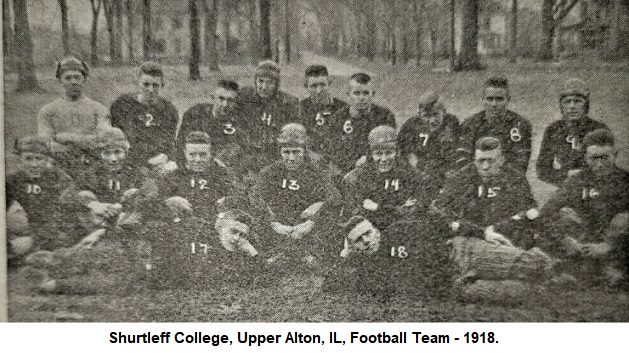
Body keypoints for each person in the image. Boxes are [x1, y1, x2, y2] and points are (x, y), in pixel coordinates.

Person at [432, 137, 553, 300]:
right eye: (481, 161)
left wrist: (499, 229)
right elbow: (439, 210)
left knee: (529, 269)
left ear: (502, 160)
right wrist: (477, 231)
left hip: (506, 239)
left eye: (491, 161)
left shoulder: (515, 178)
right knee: (536, 267)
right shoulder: (461, 177)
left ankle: (474, 285)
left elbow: (530, 212)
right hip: (473, 242)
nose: (486, 166)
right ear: (474, 160)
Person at [333, 126, 440, 297]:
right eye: (378, 154)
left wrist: (378, 207)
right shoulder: (358, 176)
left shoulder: (408, 172)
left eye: (389, 153)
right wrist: (397, 208)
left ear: (397, 151)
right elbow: (357, 213)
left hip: (400, 228)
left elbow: (419, 204)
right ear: (370, 153)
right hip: (372, 231)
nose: (383, 159)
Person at [535, 129, 629, 287]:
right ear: (585, 157)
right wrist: (565, 240)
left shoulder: (626, 181)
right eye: (594, 158)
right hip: (583, 243)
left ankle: (609, 270)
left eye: (605, 157)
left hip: (617, 245)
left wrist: (610, 245)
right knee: (563, 215)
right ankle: (589, 270)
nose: (599, 164)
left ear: (615, 155)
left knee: (624, 218)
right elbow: (545, 214)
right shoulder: (577, 181)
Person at [248, 123, 341, 266]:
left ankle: (308, 254)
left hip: (307, 223)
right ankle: (280, 253)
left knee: (332, 212)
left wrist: (312, 220)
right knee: (254, 210)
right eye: (286, 152)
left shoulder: (317, 169)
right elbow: (255, 196)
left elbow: (334, 197)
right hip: (280, 223)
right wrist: (273, 223)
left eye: (296, 152)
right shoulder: (271, 171)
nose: (291, 158)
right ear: (280, 151)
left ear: (305, 150)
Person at [37, 56, 111, 175]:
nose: (73, 82)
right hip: (59, 168)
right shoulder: (47, 111)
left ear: (84, 79)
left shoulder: (99, 109)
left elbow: (103, 140)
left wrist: (65, 137)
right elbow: (45, 144)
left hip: (93, 168)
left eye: (77, 77)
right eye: (68, 78)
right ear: (60, 80)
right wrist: (84, 142)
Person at [6, 136, 76, 259]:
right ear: (19, 161)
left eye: (39, 159)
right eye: (28, 159)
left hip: (54, 236)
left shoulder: (60, 180)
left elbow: (65, 218)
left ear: (47, 160)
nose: (34, 164)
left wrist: (34, 238)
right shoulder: (10, 182)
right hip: (19, 237)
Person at [536, 78, 609, 186]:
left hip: (596, 185)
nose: (572, 106)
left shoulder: (599, 129)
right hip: (567, 186)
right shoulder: (554, 129)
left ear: (586, 105)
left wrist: (585, 176)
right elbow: (542, 170)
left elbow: (608, 166)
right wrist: (565, 174)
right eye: (567, 102)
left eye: (578, 101)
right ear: (561, 106)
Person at [456, 77, 532, 174]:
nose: (494, 104)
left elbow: (520, 163)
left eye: (499, 99)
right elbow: (462, 159)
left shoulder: (520, 125)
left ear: (508, 100)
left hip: (507, 181)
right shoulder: (470, 124)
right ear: (482, 99)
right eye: (489, 99)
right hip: (476, 179)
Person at [161, 131, 244, 221]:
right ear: (185, 153)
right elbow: (159, 203)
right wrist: (171, 201)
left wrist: (227, 201)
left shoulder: (222, 174)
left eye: (203, 155)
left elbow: (237, 198)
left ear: (211, 153)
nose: (198, 160)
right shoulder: (174, 175)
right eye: (192, 155)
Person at [110, 61, 179, 167]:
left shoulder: (169, 110)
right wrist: (144, 162)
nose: (150, 90)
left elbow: (168, 144)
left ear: (162, 85)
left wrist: (164, 158)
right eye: (146, 84)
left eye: (155, 85)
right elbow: (116, 140)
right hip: (127, 161)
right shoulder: (123, 104)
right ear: (138, 83)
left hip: (158, 161)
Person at [177, 80, 253, 175]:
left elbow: (237, 148)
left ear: (236, 102)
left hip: (221, 169)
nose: (225, 104)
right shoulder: (195, 113)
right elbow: (181, 142)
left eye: (230, 100)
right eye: (221, 99)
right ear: (212, 98)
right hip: (192, 164)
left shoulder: (240, 121)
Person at [326, 72, 396, 174]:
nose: (362, 98)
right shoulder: (338, 118)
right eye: (357, 93)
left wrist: (368, 158)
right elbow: (335, 153)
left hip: (377, 169)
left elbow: (389, 148)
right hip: (346, 171)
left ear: (373, 94)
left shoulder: (384, 116)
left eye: (366, 93)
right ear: (348, 94)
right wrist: (354, 166)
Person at [238, 60, 299, 171]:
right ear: (255, 81)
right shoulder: (245, 99)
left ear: (276, 85)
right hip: (247, 157)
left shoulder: (288, 104)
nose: (264, 87)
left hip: (275, 158)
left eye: (269, 82)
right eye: (260, 81)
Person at [398, 91, 460, 190]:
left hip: (443, 171)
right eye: (426, 116)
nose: (431, 121)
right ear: (419, 114)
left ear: (444, 112)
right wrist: (418, 169)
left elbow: (454, 153)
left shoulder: (451, 123)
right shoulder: (410, 125)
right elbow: (405, 154)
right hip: (419, 172)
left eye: (436, 115)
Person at [298, 64, 348, 154]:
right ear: (306, 87)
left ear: (329, 84)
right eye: (313, 86)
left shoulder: (343, 108)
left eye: (323, 85)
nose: (319, 91)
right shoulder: (299, 108)